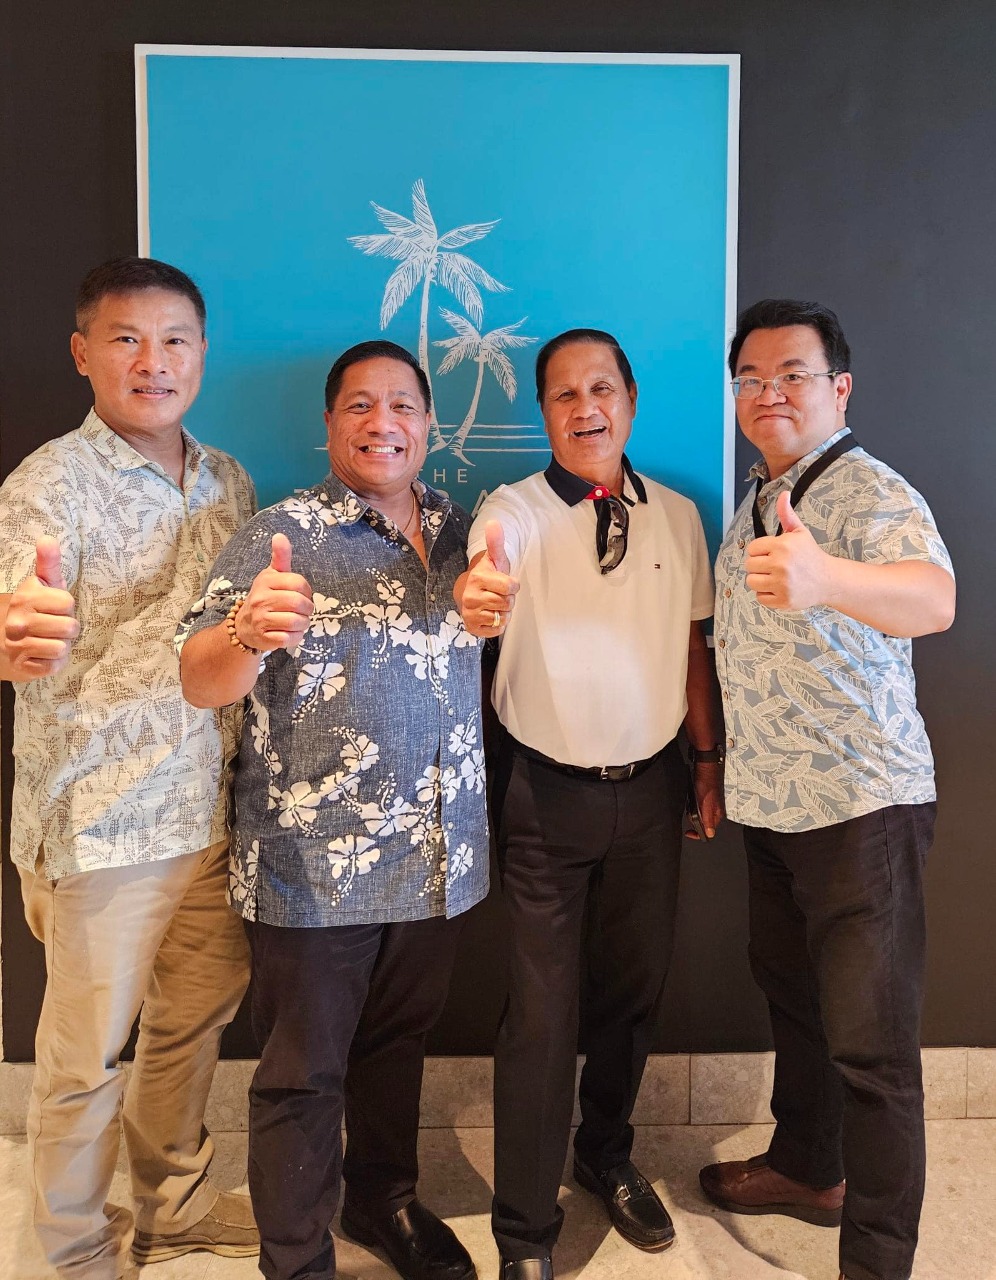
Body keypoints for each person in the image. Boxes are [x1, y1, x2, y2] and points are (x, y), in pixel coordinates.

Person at [177, 339, 489, 1280]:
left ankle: (382, 1200)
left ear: (428, 424)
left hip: (437, 857)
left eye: (401, 405)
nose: (381, 422)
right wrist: (246, 632)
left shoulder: (466, 531)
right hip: (313, 868)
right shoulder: (280, 535)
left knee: (397, 1048)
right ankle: (296, 1259)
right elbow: (198, 678)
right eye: (359, 405)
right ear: (328, 425)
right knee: (301, 1078)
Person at [0, 257, 260, 1275]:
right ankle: (72, 1250)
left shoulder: (230, 480)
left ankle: (172, 1203)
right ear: (82, 352)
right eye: (126, 339)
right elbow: (3, 623)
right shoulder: (47, 485)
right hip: (103, 825)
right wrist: (10, 634)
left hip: (211, 814)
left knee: (191, 1024)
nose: (153, 361)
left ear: (201, 351)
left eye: (174, 339)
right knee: (83, 1059)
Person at [456, 328, 724, 1280]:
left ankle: (604, 1153)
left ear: (630, 400)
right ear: (543, 413)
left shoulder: (679, 518)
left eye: (600, 389)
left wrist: (705, 764)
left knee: (631, 993)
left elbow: (691, 647)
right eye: (563, 394)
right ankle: (524, 1232)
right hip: (543, 797)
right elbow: (489, 562)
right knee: (538, 1017)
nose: (585, 409)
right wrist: (481, 586)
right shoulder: (514, 510)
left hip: (651, 793)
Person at [699, 298, 956, 1280]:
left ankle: (876, 1261)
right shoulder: (756, 497)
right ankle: (809, 1167)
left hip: (860, 803)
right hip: (774, 803)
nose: (769, 393)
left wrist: (827, 579)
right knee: (796, 1003)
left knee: (872, 1049)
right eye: (751, 378)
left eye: (793, 374)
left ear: (838, 387)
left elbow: (934, 598)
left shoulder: (867, 488)